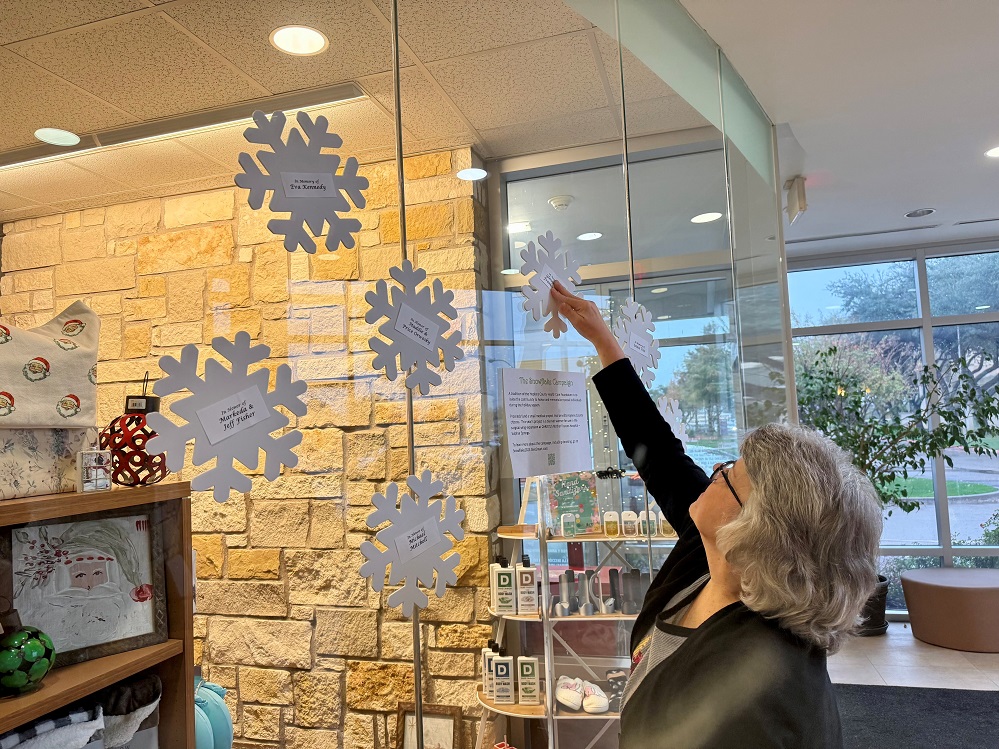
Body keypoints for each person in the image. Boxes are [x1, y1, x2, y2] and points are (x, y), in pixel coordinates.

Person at [550, 281, 883, 749]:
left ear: (750, 530)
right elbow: (661, 456)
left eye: (728, 474)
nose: (713, 474)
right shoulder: (712, 560)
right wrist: (604, 341)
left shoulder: (756, 694)